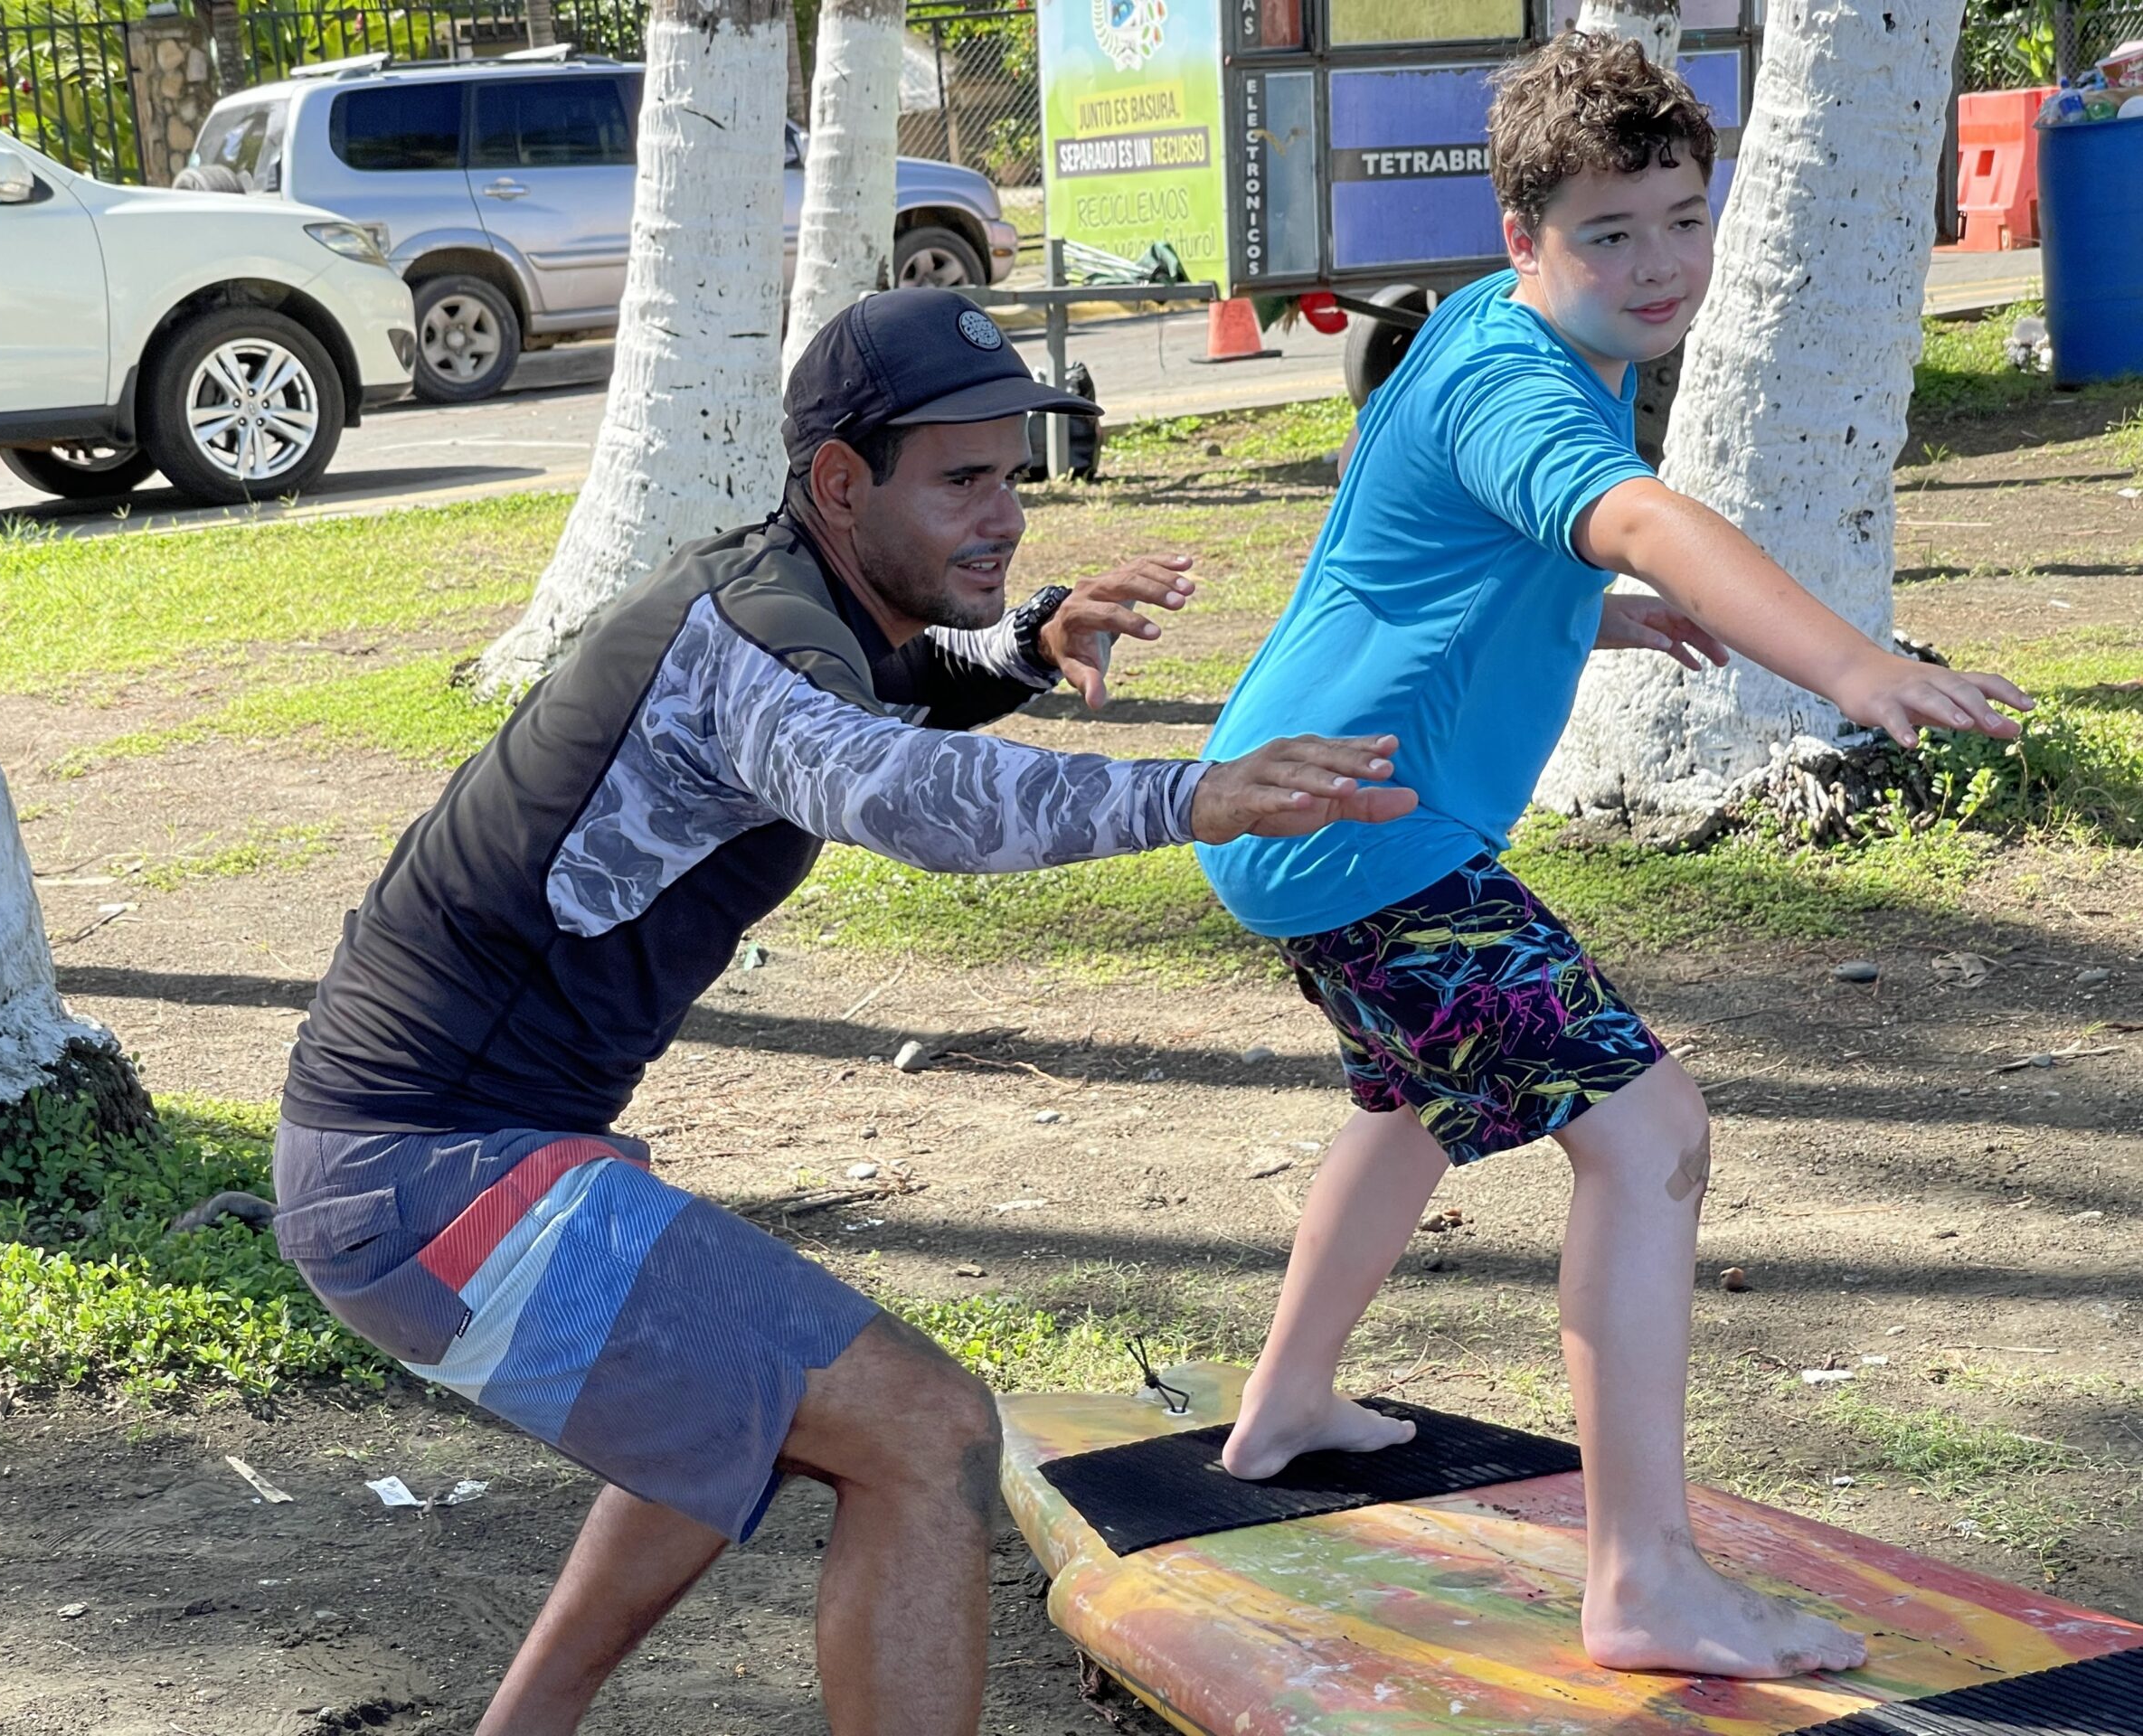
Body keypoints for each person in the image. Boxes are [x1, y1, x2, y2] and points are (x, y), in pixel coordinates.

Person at [268, 286, 1416, 1736]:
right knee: (926, 1435)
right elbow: (900, 790)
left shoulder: (793, 593)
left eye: (1013, 476)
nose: (1003, 517)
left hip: (439, 1159)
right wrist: (1189, 796)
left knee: (745, 1385)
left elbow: (902, 684)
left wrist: (1024, 640)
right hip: (429, 1184)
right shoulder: (755, 645)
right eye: (960, 482)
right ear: (838, 480)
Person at [1195, 34, 2033, 1681]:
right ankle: (1642, 1578)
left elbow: (1421, 547)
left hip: (1300, 807)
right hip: (1363, 835)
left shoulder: (1488, 331)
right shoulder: (1523, 380)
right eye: (1611, 234)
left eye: (1683, 218)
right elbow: (1639, 510)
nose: (1659, 267)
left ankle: (1287, 1403)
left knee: (1412, 1103)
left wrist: (1584, 609)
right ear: (1524, 239)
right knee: (1649, 1136)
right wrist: (1847, 665)